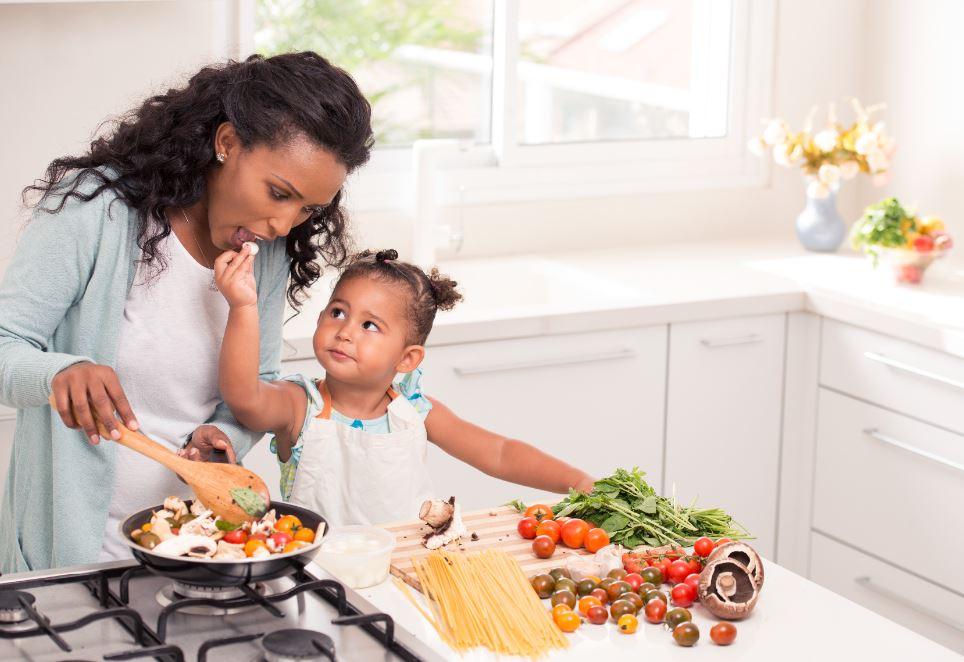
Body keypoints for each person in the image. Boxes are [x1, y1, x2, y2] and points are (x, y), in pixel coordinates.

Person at [0, 51, 373, 571]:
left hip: (195, 549)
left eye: (308, 208)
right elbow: (5, 343)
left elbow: (256, 383)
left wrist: (225, 435)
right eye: (278, 193)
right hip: (71, 559)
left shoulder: (266, 255)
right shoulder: (97, 209)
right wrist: (61, 372)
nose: (284, 224)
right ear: (226, 143)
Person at [215, 247, 596, 526]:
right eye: (338, 312)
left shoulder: (414, 411)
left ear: (407, 359)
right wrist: (244, 308)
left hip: (412, 573)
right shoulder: (300, 405)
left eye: (370, 325)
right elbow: (245, 397)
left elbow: (499, 453)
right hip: (325, 579)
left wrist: (576, 482)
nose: (345, 331)